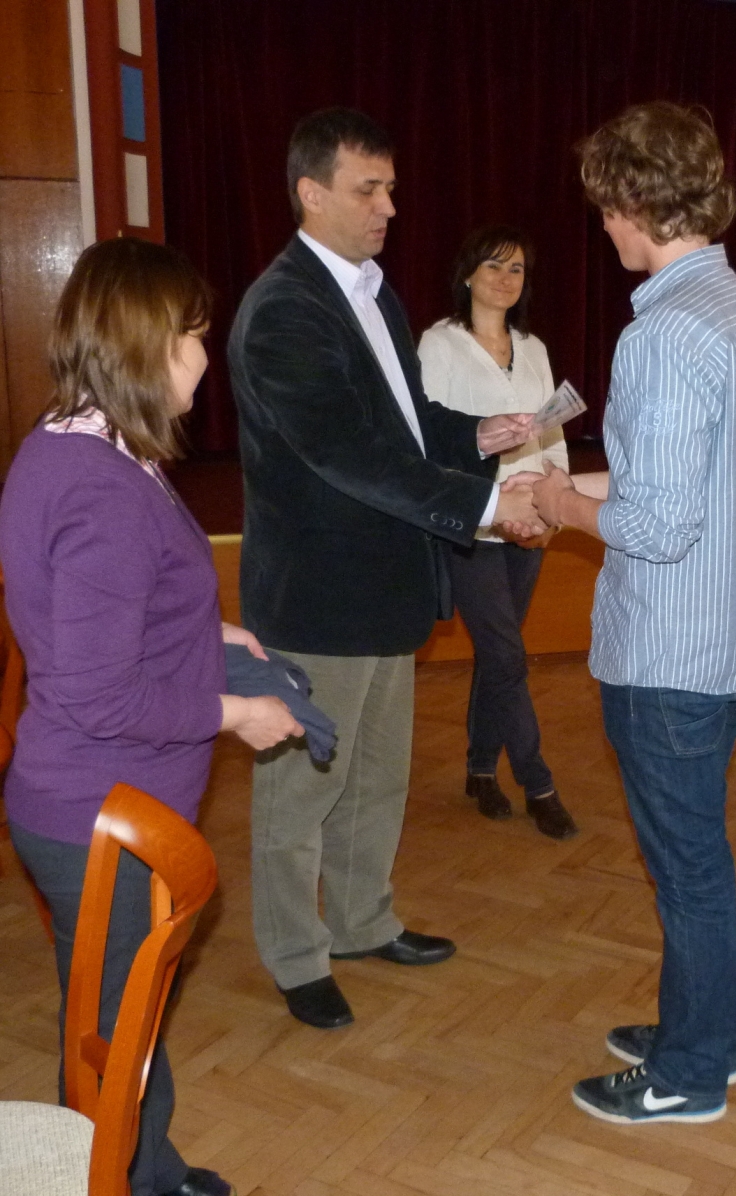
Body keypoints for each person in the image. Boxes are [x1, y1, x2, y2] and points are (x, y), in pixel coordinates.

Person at [228, 107, 546, 1031]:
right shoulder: (285, 310)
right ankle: (297, 957)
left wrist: (473, 435)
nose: (390, 207)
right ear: (311, 193)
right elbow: (347, 453)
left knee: (374, 775)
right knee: (301, 790)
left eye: (392, 188)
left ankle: (363, 922)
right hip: (319, 599)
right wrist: (483, 505)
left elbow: (403, 426)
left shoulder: (374, 292)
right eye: (369, 189)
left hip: (386, 584)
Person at [0, 237, 304, 1196]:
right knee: (114, 1027)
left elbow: (91, 617)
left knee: (115, 1020)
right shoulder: (102, 490)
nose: (206, 358)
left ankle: (141, 1167)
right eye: (192, 336)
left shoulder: (68, 442)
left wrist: (207, 627)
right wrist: (235, 712)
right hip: (102, 811)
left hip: (87, 801)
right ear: (145, 344)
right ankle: (121, 1177)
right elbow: (98, 691)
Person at [519, 101, 736, 1124]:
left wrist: (560, 505)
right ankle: (701, 1027)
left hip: (670, 656)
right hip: (733, 639)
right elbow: (695, 482)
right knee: (694, 859)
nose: (602, 225)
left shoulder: (664, 335)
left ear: (636, 201)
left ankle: (690, 1071)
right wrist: (575, 481)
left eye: (605, 207)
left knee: (687, 870)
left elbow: (659, 524)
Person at [418, 225, 577, 837]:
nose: (506, 279)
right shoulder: (440, 343)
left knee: (496, 657)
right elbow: (432, 444)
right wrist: (491, 508)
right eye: (493, 266)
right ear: (467, 274)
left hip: (530, 522)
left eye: (516, 269)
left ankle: (481, 769)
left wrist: (553, 508)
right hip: (475, 527)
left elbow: (551, 434)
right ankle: (539, 783)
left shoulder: (533, 347)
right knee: (508, 656)